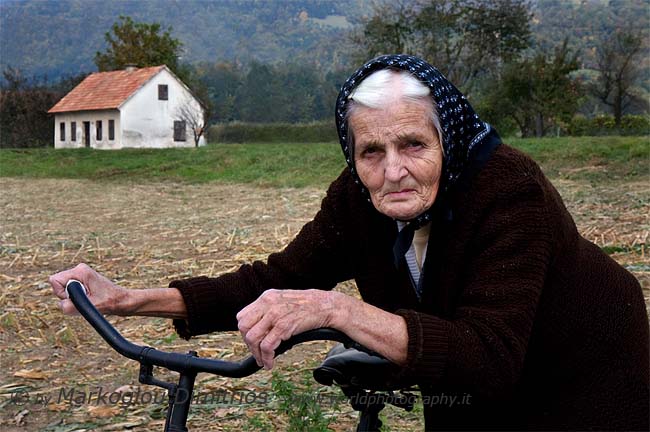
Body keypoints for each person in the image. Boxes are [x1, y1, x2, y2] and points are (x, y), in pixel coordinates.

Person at [50, 55, 649, 430]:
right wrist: (128, 299)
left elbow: (489, 355)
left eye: (413, 144)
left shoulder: (509, 192)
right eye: (371, 151)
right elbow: (273, 279)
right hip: (468, 387)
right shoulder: (358, 199)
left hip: (582, 377)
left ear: (448, 137)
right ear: (353, 153)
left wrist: (338, 308)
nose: (393, 171)